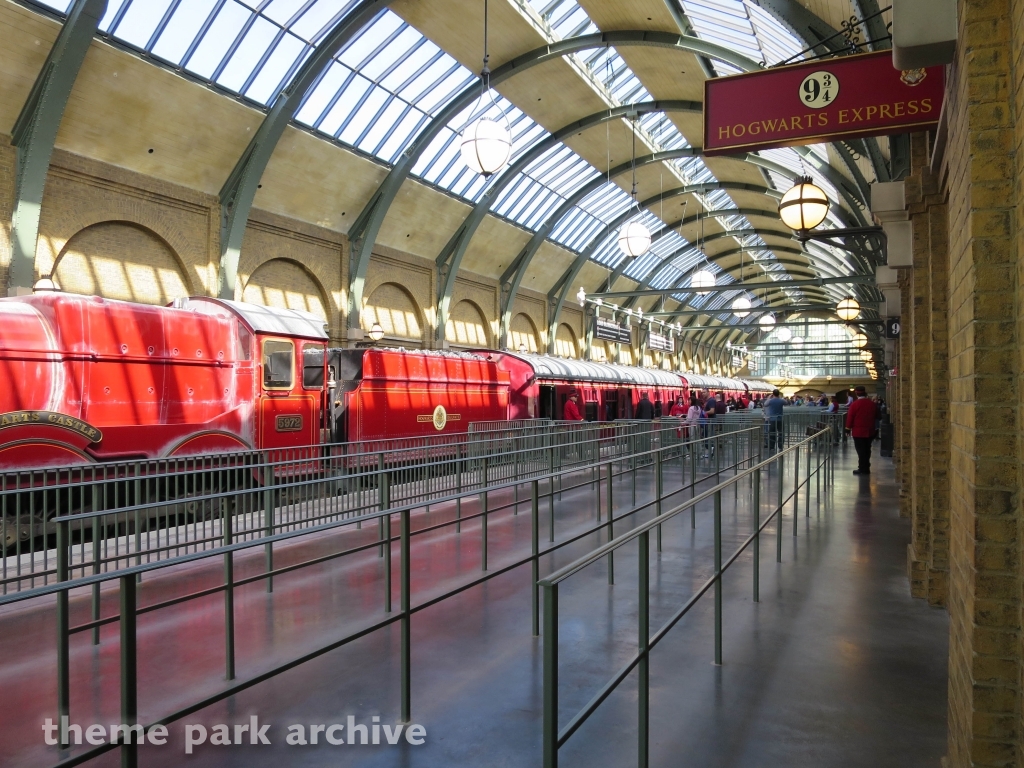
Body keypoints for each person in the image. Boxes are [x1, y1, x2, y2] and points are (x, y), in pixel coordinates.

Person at [846, 386, 878, 474]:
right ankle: (866, 466)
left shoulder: (855, 404)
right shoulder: (872, 404)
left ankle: (863, 468)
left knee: (861, 451)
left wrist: (847, 429)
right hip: (870, 430)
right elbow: (877, 416)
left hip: (858, 432)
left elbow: (850, 417)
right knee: (867, 449)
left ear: (856, 394)